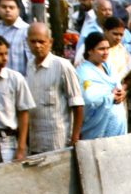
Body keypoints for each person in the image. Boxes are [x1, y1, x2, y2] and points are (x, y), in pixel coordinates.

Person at [22, 23, 84, 153]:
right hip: (36, 141)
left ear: (50, 42)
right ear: (27, 42)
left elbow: (78, 105)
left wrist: (75, 136)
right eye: (33, 41)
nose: (37, 45)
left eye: (41, 41)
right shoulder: (29, 66)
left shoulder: (62, 66)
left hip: (58, 141)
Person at [0, 34, 35, 162]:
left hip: (7, 142)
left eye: (6, 54)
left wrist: (21, 146)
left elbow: (24, 112)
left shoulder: (14, 78)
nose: (4, 59)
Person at [77, 32, 128, 139]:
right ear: (90, 50)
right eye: (101, 49)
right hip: (99, 130)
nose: (106, 52)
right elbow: (88, 98)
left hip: (118, 127)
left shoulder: (109, 67)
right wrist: (111, 97)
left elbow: (117, 87)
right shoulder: (84, 72)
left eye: (107, 48)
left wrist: (122, 94)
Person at [0, 0, 31, 76]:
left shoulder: (27, 30)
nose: (8, 10)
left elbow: (32, 60)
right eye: (4, 7)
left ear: (18, 10)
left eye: (11, 7)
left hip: (23, 81)